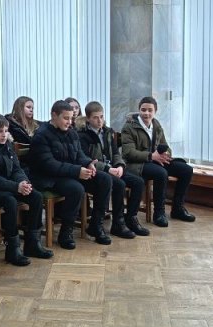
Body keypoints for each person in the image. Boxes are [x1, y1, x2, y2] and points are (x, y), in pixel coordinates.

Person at [0, 114, 54, 265]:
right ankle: (12, 249)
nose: (4, 134)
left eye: (6, 131)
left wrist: (24, 182)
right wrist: (16, 187)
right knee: (10, 201)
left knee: (36, 196)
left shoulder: (7, 145)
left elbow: (16, 169)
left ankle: (32, 244)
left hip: (8, 185)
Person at [28, 99, 112, 249]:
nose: (69, 122)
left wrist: (88, 163)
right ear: (54, 115)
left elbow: (79, 155)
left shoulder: (71, 132)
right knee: (76, 188)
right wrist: (77, 171)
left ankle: (96, 225)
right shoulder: (41, 135)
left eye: (71, 118)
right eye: (66, 118)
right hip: (48, 177)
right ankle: (65, 232)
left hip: (69, 173)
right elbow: (49, 165)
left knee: (104, 179)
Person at [120, 96, 195, 226]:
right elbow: (128, 153)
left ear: (155, 111)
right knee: (161, 173)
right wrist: (151, 156)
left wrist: (166, 153)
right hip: (138, 164)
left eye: (150, 110)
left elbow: (165, 145)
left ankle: (177, 208)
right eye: (143, 110)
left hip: (155, 160)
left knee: (186, 170)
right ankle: (159, 213)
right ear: (139, 110)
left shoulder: (156, 124)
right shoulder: (129, 127)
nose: (146, 113)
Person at [78, 101, 148, 239]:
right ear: (88, 118)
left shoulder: (107, 132)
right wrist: (107, 169)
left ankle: (130, 218)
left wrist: (120, 166)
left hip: (112, 168)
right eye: (95, 118)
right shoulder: (82, 136)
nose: (100, 121)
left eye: (101, 117)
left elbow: (116, 153)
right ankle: (116, 223)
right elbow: (86, 159)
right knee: (119, 184)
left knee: (138, 182)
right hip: (96, 171)